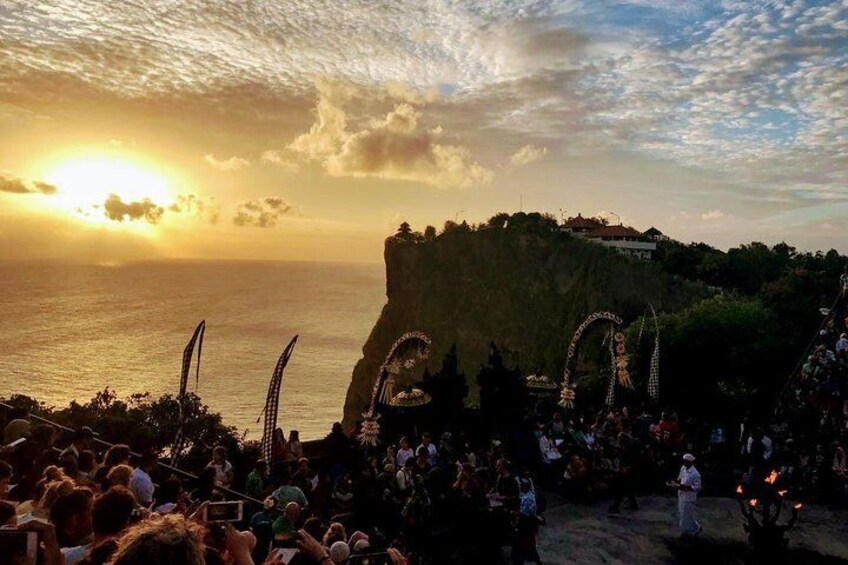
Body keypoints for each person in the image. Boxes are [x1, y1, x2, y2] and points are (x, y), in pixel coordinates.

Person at [674, 453, 702, 537]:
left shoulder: (695, 474)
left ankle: (691, 530)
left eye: (685, 461)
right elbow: (679, 478)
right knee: (682, 513)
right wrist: (676, 484)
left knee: (688, 514)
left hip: (689, 497)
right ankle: (690, 528)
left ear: (690, 462)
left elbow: (698, 487)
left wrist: (687, 487)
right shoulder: (683, 468)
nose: (684, 463)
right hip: (682, 495)